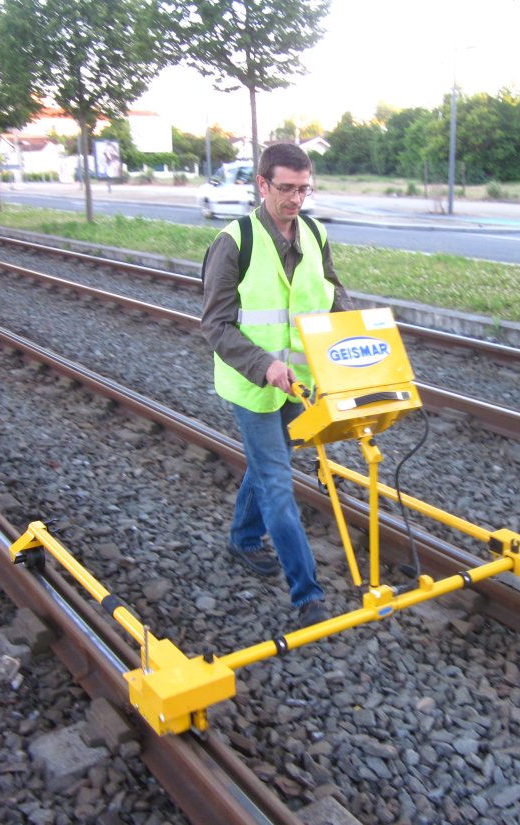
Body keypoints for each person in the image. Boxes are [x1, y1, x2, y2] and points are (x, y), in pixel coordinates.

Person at [201, 143, 353, 629]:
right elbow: (216, 324)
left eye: (304, 188)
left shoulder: (314, 232)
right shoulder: (234, 241)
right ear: (262, 185)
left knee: (269, 466)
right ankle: (307, 593)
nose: (296, 199)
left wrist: (359, 342)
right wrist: (263, 365)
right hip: (253, 385)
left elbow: (331, 293)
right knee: (277, 482)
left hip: (299, 382)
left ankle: (243, 539)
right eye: (286, 188)